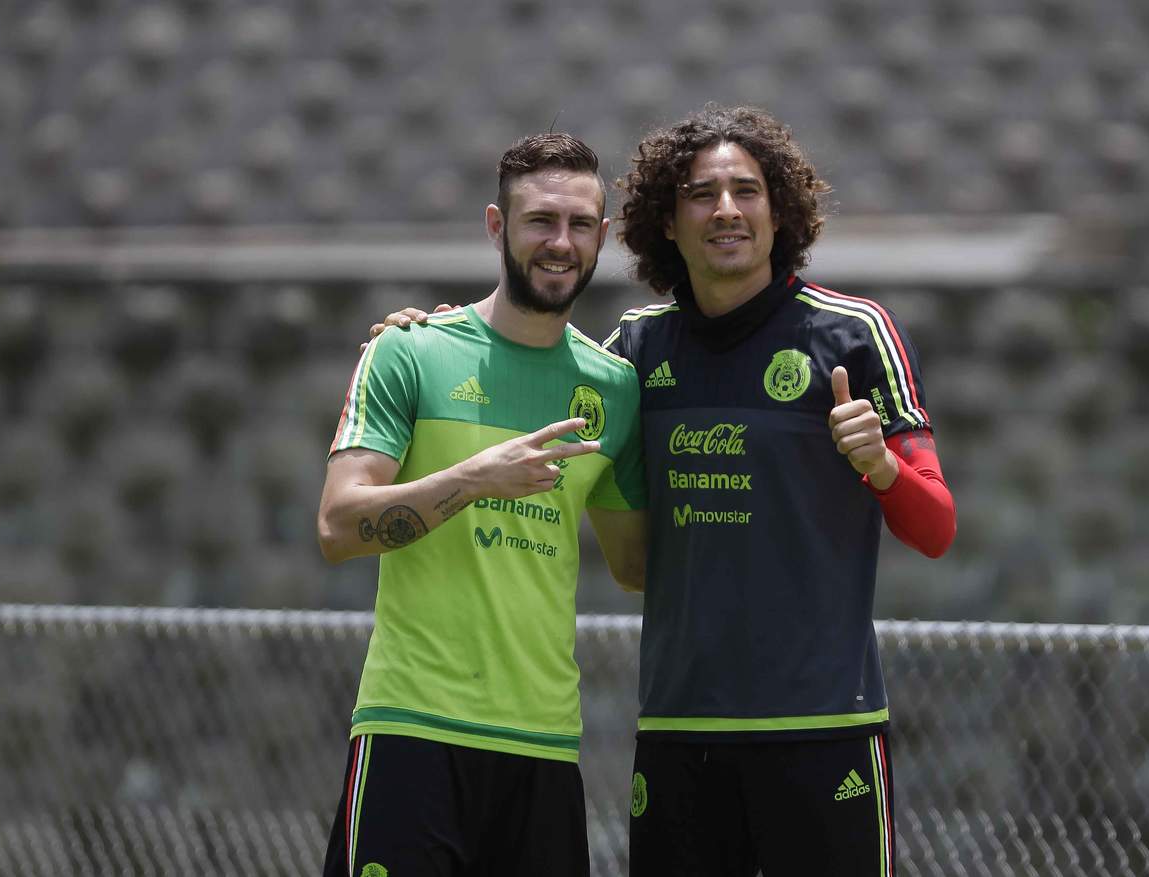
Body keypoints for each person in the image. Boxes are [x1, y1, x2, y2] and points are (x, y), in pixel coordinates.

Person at [372, 105, 956, 876]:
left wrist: (880, 466)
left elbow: (937, 526)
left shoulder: (855, 333)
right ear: (666, 223)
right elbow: (528, 369)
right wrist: (438, 334)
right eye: (700, 194)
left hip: (823, 730)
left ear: (780, 211)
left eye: (746, 191)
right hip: (680, 737)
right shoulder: (633, 354)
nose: (726, 210)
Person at [317, 132, 647, 877]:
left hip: (543, 745)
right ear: (497, 226)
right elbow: (338, 526)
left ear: (602, 236)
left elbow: (637, 567)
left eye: (580, 224)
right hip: (412, 729)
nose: (560, 242)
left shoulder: (616, 390)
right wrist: (474, 478)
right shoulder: (410, 351)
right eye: (540, 221)